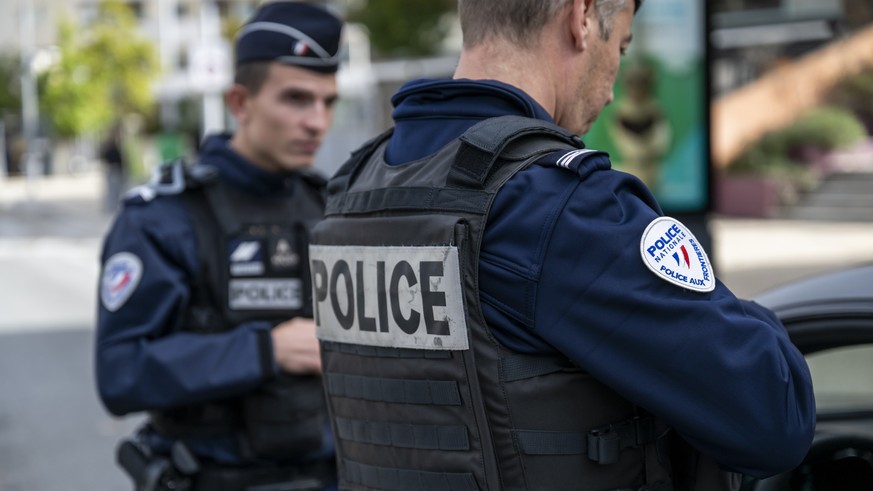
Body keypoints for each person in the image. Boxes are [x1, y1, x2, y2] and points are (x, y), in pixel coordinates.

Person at [307, 1, 816, 490]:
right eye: (620, 48)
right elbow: (776, 417)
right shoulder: (561, 207)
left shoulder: (353, 189)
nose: (614, 91)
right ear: (583, 17)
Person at [95, 3, 343, 490]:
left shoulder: (334, 209)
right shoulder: (163, 219)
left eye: (327, 101)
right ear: (240, 103)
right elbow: (120, 374)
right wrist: (265, 349)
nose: (317, 121)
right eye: (295, 98)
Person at [100, 122, 127, 212]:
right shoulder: (110, 145)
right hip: (113, 169)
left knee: (116, 189)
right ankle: (111, 206)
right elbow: (105, 157)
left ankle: (113, 206)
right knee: (112, 189)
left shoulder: (116, 145)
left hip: (117, 169)